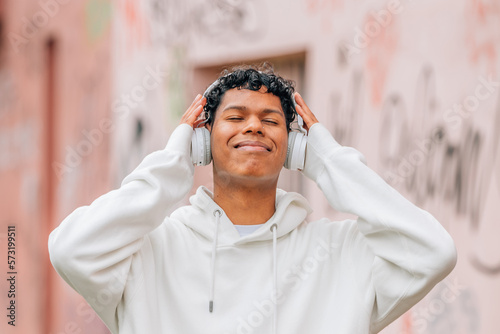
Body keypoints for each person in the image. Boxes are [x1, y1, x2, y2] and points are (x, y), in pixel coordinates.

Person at [48, 65, 457, 334]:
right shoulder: (151, 252)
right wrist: (173, 163)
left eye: (271, 120)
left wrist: (331, 161)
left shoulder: (339, 253)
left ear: (295, 149)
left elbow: (433, 252)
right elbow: (71, 249)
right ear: (201, 142)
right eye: (236, 117)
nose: (254, 127)